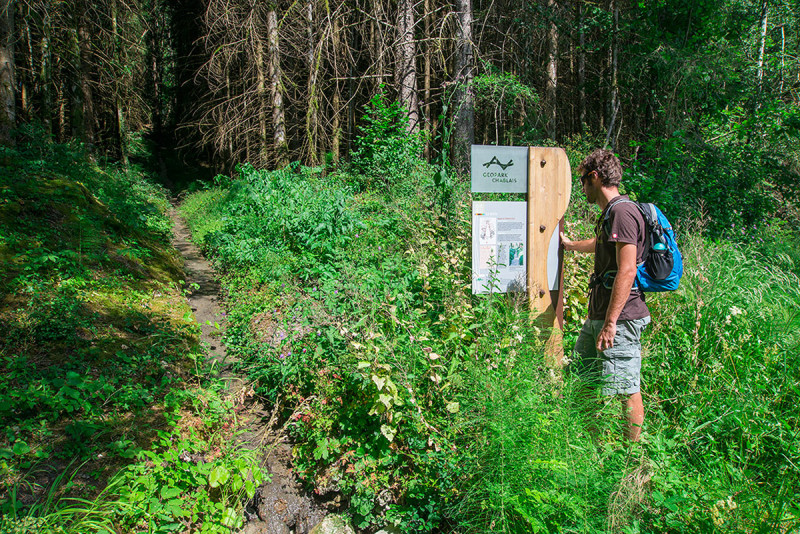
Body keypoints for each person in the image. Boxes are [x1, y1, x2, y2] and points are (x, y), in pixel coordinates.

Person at [560, 149, 650, 442]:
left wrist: (611, 322)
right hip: (599, 314)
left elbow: (627, 270)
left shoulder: (623, 212)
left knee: (626, 386)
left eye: (583, 180)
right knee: (582, 377)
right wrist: (571, 245)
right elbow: (601, 245)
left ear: (595, 178)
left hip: (620, 318)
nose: (582, 187)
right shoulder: (611, 214)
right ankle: (592, 446)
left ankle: (630, 461)